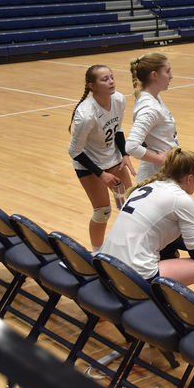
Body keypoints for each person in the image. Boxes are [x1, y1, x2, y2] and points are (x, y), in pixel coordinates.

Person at [99, 148, 194, 291]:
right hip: (134, 275)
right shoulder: (182, 199)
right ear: (189, 178)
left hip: (105, 264)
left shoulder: (145, 187)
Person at [68, 65, 136, 252]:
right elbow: (74, 151)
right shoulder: (86, 115)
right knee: (102, 211)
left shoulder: (119, 100)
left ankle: (128, 247)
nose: (111, 81)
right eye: (104, 79)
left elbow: (118, 128)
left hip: (113, 158)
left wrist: (125, 154)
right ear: (92, 85)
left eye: (111, 77)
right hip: (89, 165)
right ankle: (97, 253)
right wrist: (101, 174)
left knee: (128, 206)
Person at [125, 52, 179, 183]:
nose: (171, 76)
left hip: (163, 172)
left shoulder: (152, 97)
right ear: (154, 75)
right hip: (155, 176)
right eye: (167, 72)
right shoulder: (150, 109)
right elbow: (131, 146)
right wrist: (160, 159)